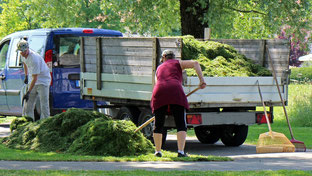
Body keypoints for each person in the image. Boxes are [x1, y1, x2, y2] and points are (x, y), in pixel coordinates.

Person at [151, 50, 206, 157]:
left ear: (164, 57)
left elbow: (156, 83)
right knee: (180, 123)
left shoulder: (159, 68)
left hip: (159, 90)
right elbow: (195, 63)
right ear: (173, 57)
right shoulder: (178, 63)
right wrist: (201, 80)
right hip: (175, 90)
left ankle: (158, 151)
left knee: (158, 124)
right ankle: (180, 152)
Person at [17, 39, 51, 120]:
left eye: (23, 51)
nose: (22, 53)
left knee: (44, 104)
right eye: (20, 51)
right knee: (28, 104)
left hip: (43, 81)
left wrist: (28, 92)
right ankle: (28, 122)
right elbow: (25, 64)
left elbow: (35, 78)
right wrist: (26, 75)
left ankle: (45, 123)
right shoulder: (22, 55)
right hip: (33, 80)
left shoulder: (34, 59)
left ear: (27, 49)